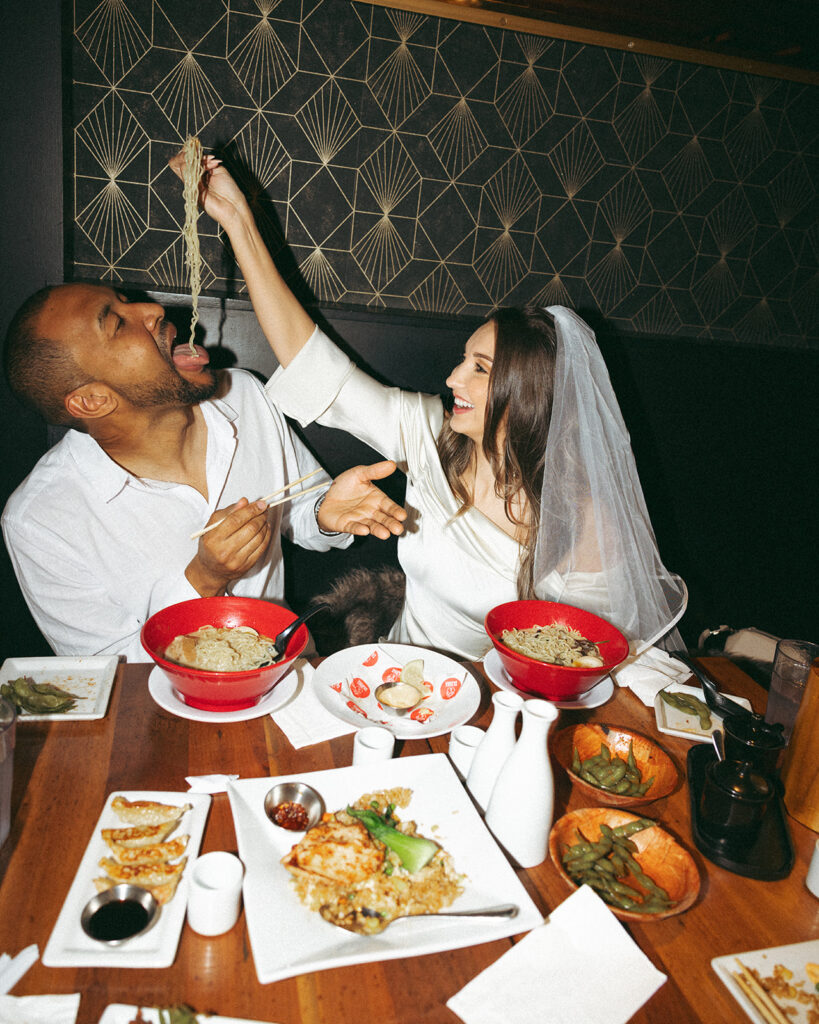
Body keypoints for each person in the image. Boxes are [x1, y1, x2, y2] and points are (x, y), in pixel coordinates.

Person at [173, 152, 687, 660]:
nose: (452, 377)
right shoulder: (431, 434)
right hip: (393, 681)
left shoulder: (585, 523)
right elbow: (311, 360)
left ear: (530, 397)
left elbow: (592, 658)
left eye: (480, 368)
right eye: (464, 358)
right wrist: (237, 220)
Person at [2, 281, 406, 661]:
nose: (153, 309)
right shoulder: (40, 520)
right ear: (92, 400)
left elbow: (299, 511)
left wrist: (323, 514)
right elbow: (110, 676)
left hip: (291, 669)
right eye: (117, 322)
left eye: (126, 301)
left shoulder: (244, 394)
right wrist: (203, 580)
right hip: (167, 714)